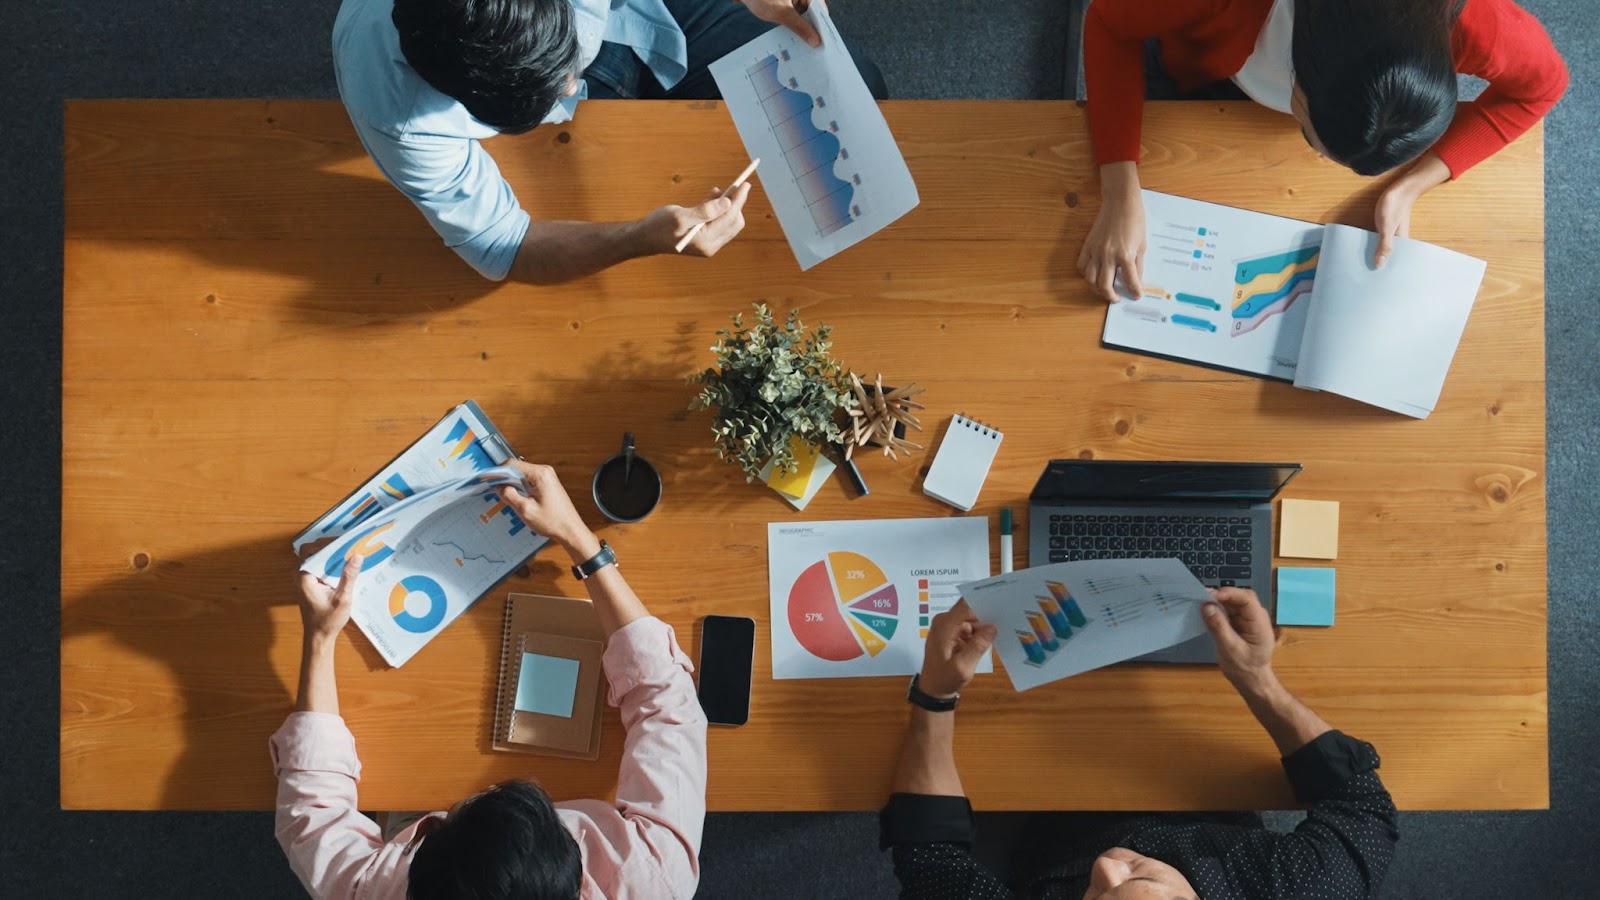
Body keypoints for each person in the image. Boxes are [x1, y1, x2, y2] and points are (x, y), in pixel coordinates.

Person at [271, 461, 708, 899]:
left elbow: (313, 817)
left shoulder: (378, 890)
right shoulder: (654, 877)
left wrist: (320, 639)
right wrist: (579, 540)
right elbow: (667, 704)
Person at [880, 589, 1399, 899]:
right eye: (1140, 882)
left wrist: (935, 694)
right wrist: (1258, 678)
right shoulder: (1308, 887)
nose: (1106, 866)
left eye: (1096, 896)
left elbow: (928, 854)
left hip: (1051, 819)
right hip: (1208, 803)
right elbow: (1361, 804)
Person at [333, 0, 886, 283]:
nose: (572, 86)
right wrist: (636, 238)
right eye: (551, 86)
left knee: (857, 89)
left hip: (647, 10)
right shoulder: (395, 108)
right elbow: (500, 244)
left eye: (566, 65)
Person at [1076, 0, 1568, 301]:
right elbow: (1107, 21)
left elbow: (1542, 87)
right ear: (1301, 67)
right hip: (1193, 63)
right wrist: (1119, 190)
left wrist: (1413, 186)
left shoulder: (1474, 22)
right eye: (1312, 139)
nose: (1317, 157)